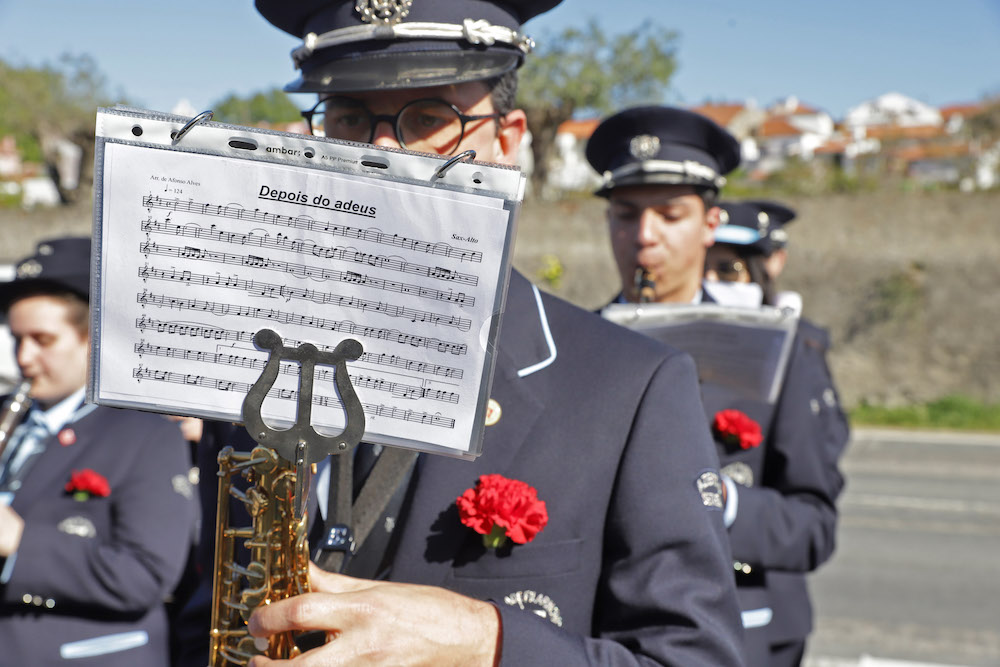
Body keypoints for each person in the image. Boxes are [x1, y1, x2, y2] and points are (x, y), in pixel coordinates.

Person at [175, 2, 746, 666]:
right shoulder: (260, 361)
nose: (380, 150)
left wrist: (490, 642)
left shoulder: (633, 385)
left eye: (429, 118)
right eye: (350, 118)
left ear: (507, 142)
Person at [585, 107, 845, 666]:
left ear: (710, 224)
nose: (644, 238)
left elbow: (814, 527)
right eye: (625, 215)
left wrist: (720, 501)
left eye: (670, 215)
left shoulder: (781, 348)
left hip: (743, 636)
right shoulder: (573, 346)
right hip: (600, 633)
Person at [0, 237, 198, 666]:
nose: (23, 358)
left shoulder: (145, 433)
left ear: (93, 338)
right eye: (16, 338)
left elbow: (146, 575)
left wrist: (19, 543)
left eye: (42, 339)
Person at [706, 199, 851, 665]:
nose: (712, 285)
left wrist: (726, 500)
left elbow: (812, 496)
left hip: (762, 606)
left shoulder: (795, 347)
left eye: (728, 271)